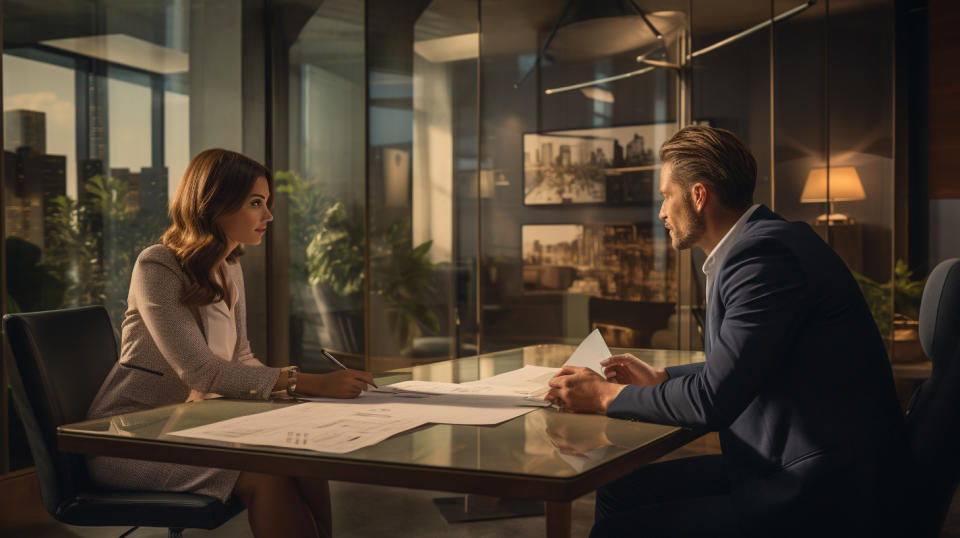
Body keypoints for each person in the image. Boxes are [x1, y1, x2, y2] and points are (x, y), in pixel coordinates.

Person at [546, 126, 906, 537]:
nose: (662, 212)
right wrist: (662, 378)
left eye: (667, 196)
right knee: (617, 491)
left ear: (699, 196)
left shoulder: (762, 259)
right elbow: (741, 363)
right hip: (793, 462)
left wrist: (606, 395)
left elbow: (713, 400)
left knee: (618, 529)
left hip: (818, 490)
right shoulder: (766, 244)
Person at [87, 148, 374, 538]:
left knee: (303, 451)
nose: (268, 216)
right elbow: (200, 372)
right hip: (132, 439)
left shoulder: (230, 268)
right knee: (266, 474)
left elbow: (242, 357)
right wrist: (308, 382)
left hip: (191, 427)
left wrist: (302, 396)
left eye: (267, 203)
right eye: (256, 203)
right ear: (214, 204)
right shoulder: (157, 266)